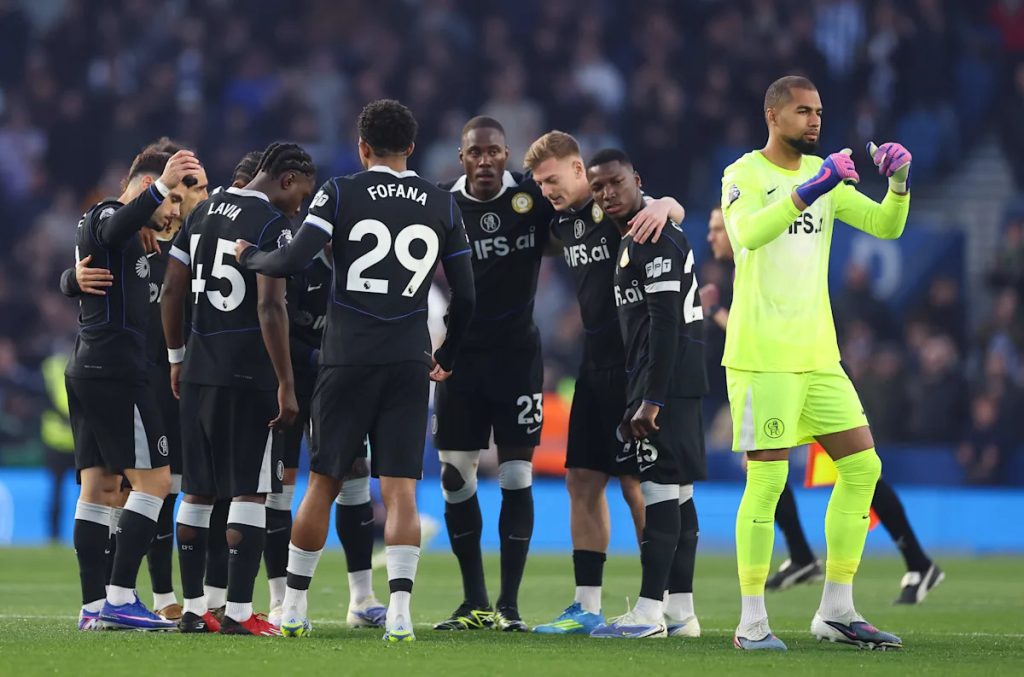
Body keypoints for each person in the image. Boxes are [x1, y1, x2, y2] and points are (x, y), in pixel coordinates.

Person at [234, 99, 476, 642]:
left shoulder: (340, 192)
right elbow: (467, 294)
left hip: (346, 358)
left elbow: (292, 261)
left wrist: (249, 257)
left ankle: (293, 609)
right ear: (411, 146)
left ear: (362, 147)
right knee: (401, 491)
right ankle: (400, 613)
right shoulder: (442, 202)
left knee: (322, 484)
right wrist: (449, 355)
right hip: (408, 359)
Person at [721, 75, 910, 650]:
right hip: (763, 356)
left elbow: (885, 225)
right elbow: (746, 233)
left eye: (819, 111)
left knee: (863, 468)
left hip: (819, 355)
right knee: (768, 480)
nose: (815, 121)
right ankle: (751, 622)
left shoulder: (823, 173)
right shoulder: (743, 174)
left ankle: (836, 610)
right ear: (773, 115)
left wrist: (898, 182)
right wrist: (814, 187)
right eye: (803, 111)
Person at [702, 205, 944, 606]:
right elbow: (753, 331)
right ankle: (805, 556)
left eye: (717, 228)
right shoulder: (742, 270)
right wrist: (717, 314)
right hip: (786, 372)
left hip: (808, 373)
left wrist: (715, 313)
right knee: (768, 464)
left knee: (855, 471)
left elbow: (762, 329)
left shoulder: (761, 256)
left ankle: (915, 561)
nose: (712, 236)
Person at [523, 131, 681, 635]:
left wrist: (668, 205)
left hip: (634, 367)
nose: (546, 189)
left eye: (552, 179)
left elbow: (664, 210)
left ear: (578, 169)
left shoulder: (614, 207)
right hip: (594, 367)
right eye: (539, 183)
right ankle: (586, 605)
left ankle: (662, 603)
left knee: (637, 484)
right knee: (582, 479)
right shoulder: (562, 223)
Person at [162, 141, 316, 636]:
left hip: (198, 369)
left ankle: (193, 608)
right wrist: (286, 382)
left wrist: (177, 357)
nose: (300, 208)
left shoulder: (200, 213)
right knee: (251, 493)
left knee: (197, 492)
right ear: (287, 179)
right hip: (249, 375)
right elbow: (270, 307)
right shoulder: (272, 224)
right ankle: (239, 612)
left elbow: (171, 289)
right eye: (301, 195)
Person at [60, 137, 210, 622]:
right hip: (119, 371)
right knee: (156, 483)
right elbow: (110, 228)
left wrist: (69, 279)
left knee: (101, 487)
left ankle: (93, 606)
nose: (174, 212)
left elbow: (109, 242)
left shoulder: (132, 233)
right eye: (169, 198)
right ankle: (121, 597)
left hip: (91, 366)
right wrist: (156, 194)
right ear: (149, 184)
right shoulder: (109, 214)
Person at [431, 115, 554, 632]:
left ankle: (509, 606)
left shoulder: (532, 199)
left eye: (494, 152)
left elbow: (590, 206)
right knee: (454, 477)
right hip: (458, 359)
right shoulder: (441, 203)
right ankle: (475, 602)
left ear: (507, 155)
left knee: (516, 475)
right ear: (462, 158)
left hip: (517, 359)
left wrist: (664, 204)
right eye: (475, 152)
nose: (485, 160)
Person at [584, 149, 708, 639]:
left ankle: (648, 612)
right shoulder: (642, 232)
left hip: (665, 383)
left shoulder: (652, 237)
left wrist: (652, 398)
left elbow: (664, 322)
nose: (607, 193)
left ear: (636, 180)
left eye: (615, 182)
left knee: (658, 492)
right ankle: (681, 612)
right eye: (598, 187)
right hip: (675, 379)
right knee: (679, 494)